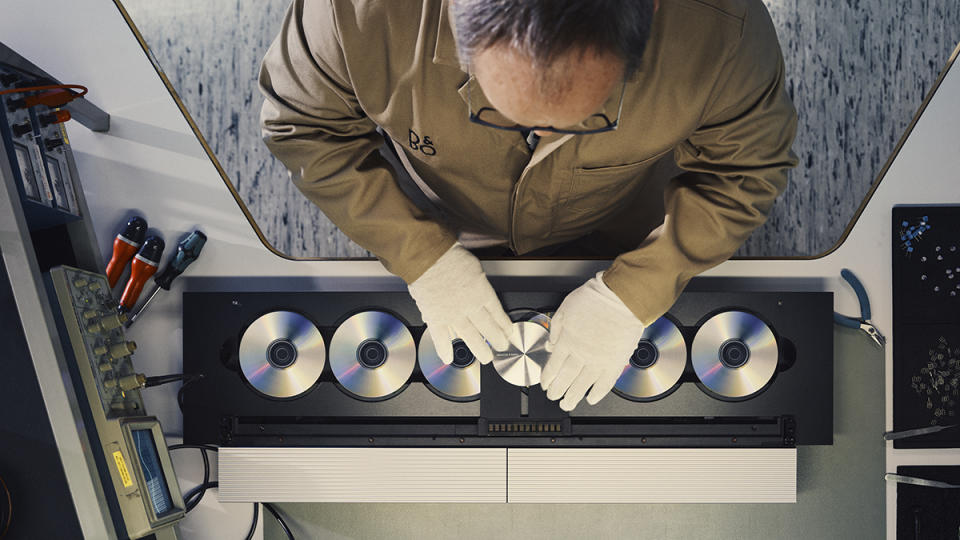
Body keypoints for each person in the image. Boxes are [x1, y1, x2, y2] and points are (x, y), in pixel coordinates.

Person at [259, 0, 798, 411]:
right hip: (439, 209)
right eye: (504, 112)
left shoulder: (722, 29)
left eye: (580, 120)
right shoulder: (353, 12)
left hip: (625, 215)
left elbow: (745, 170)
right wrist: (422, 255)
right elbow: (303, 126)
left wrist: (636, 291)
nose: (535, 141)